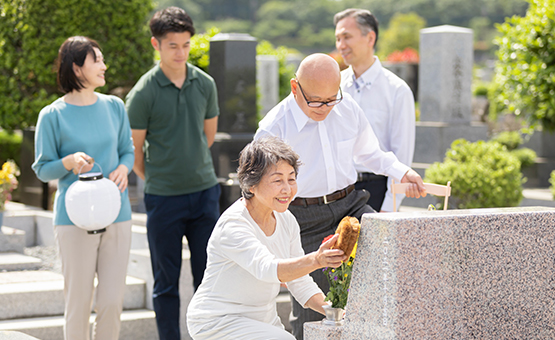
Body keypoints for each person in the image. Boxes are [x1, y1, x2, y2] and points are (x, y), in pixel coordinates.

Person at [254, 53, 426, 339]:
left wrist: (402, 171)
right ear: (295, 87)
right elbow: (258, 190)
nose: (325, 107)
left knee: (393, 256)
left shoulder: (347, 108)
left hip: (350, 205)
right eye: (316, 101)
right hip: (302, 218)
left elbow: (370, 153)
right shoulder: (274, 128)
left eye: (332, 98)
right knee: (315, 310)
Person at [186, 137, 346, 340]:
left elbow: (299, 280)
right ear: (250, 185)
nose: (287, 189)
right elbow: (268, 269)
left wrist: (337, 313)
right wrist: (316, 260)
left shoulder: (286, 219)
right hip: (218, 321)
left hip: (263, 321)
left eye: (291, 178)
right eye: (277, 180)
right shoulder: (234, 225)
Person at [125, 6, 221, 340]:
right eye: (172, 46)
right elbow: (135, 152)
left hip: (205, 194)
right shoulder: (143, 93)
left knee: (208, 278)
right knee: (165, 282)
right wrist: (159, 178)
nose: (180, 52)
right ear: (156, 44)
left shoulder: (205, 84)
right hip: (163, 198)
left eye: (185, 45)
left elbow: (207, 136)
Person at [32, 36, 134, 340]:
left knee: (112, 301)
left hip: (118, 213)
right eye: (97, 60)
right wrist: (68, 161)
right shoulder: (52, 115)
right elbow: (41, 168)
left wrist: (123, 168)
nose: (104, 66)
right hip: (73, 218)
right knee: (78, 303)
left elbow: (127, 150)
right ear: (77, 68)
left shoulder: (115, 106)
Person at [334, 8, 416, 212]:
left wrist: (390, 206)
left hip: (376, 192)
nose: (340, 45)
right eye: (337, 39)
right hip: (336, 192)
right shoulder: (334, 86)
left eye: (347, 37)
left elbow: (402, 153)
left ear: (370, 38)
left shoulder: (397, 90)